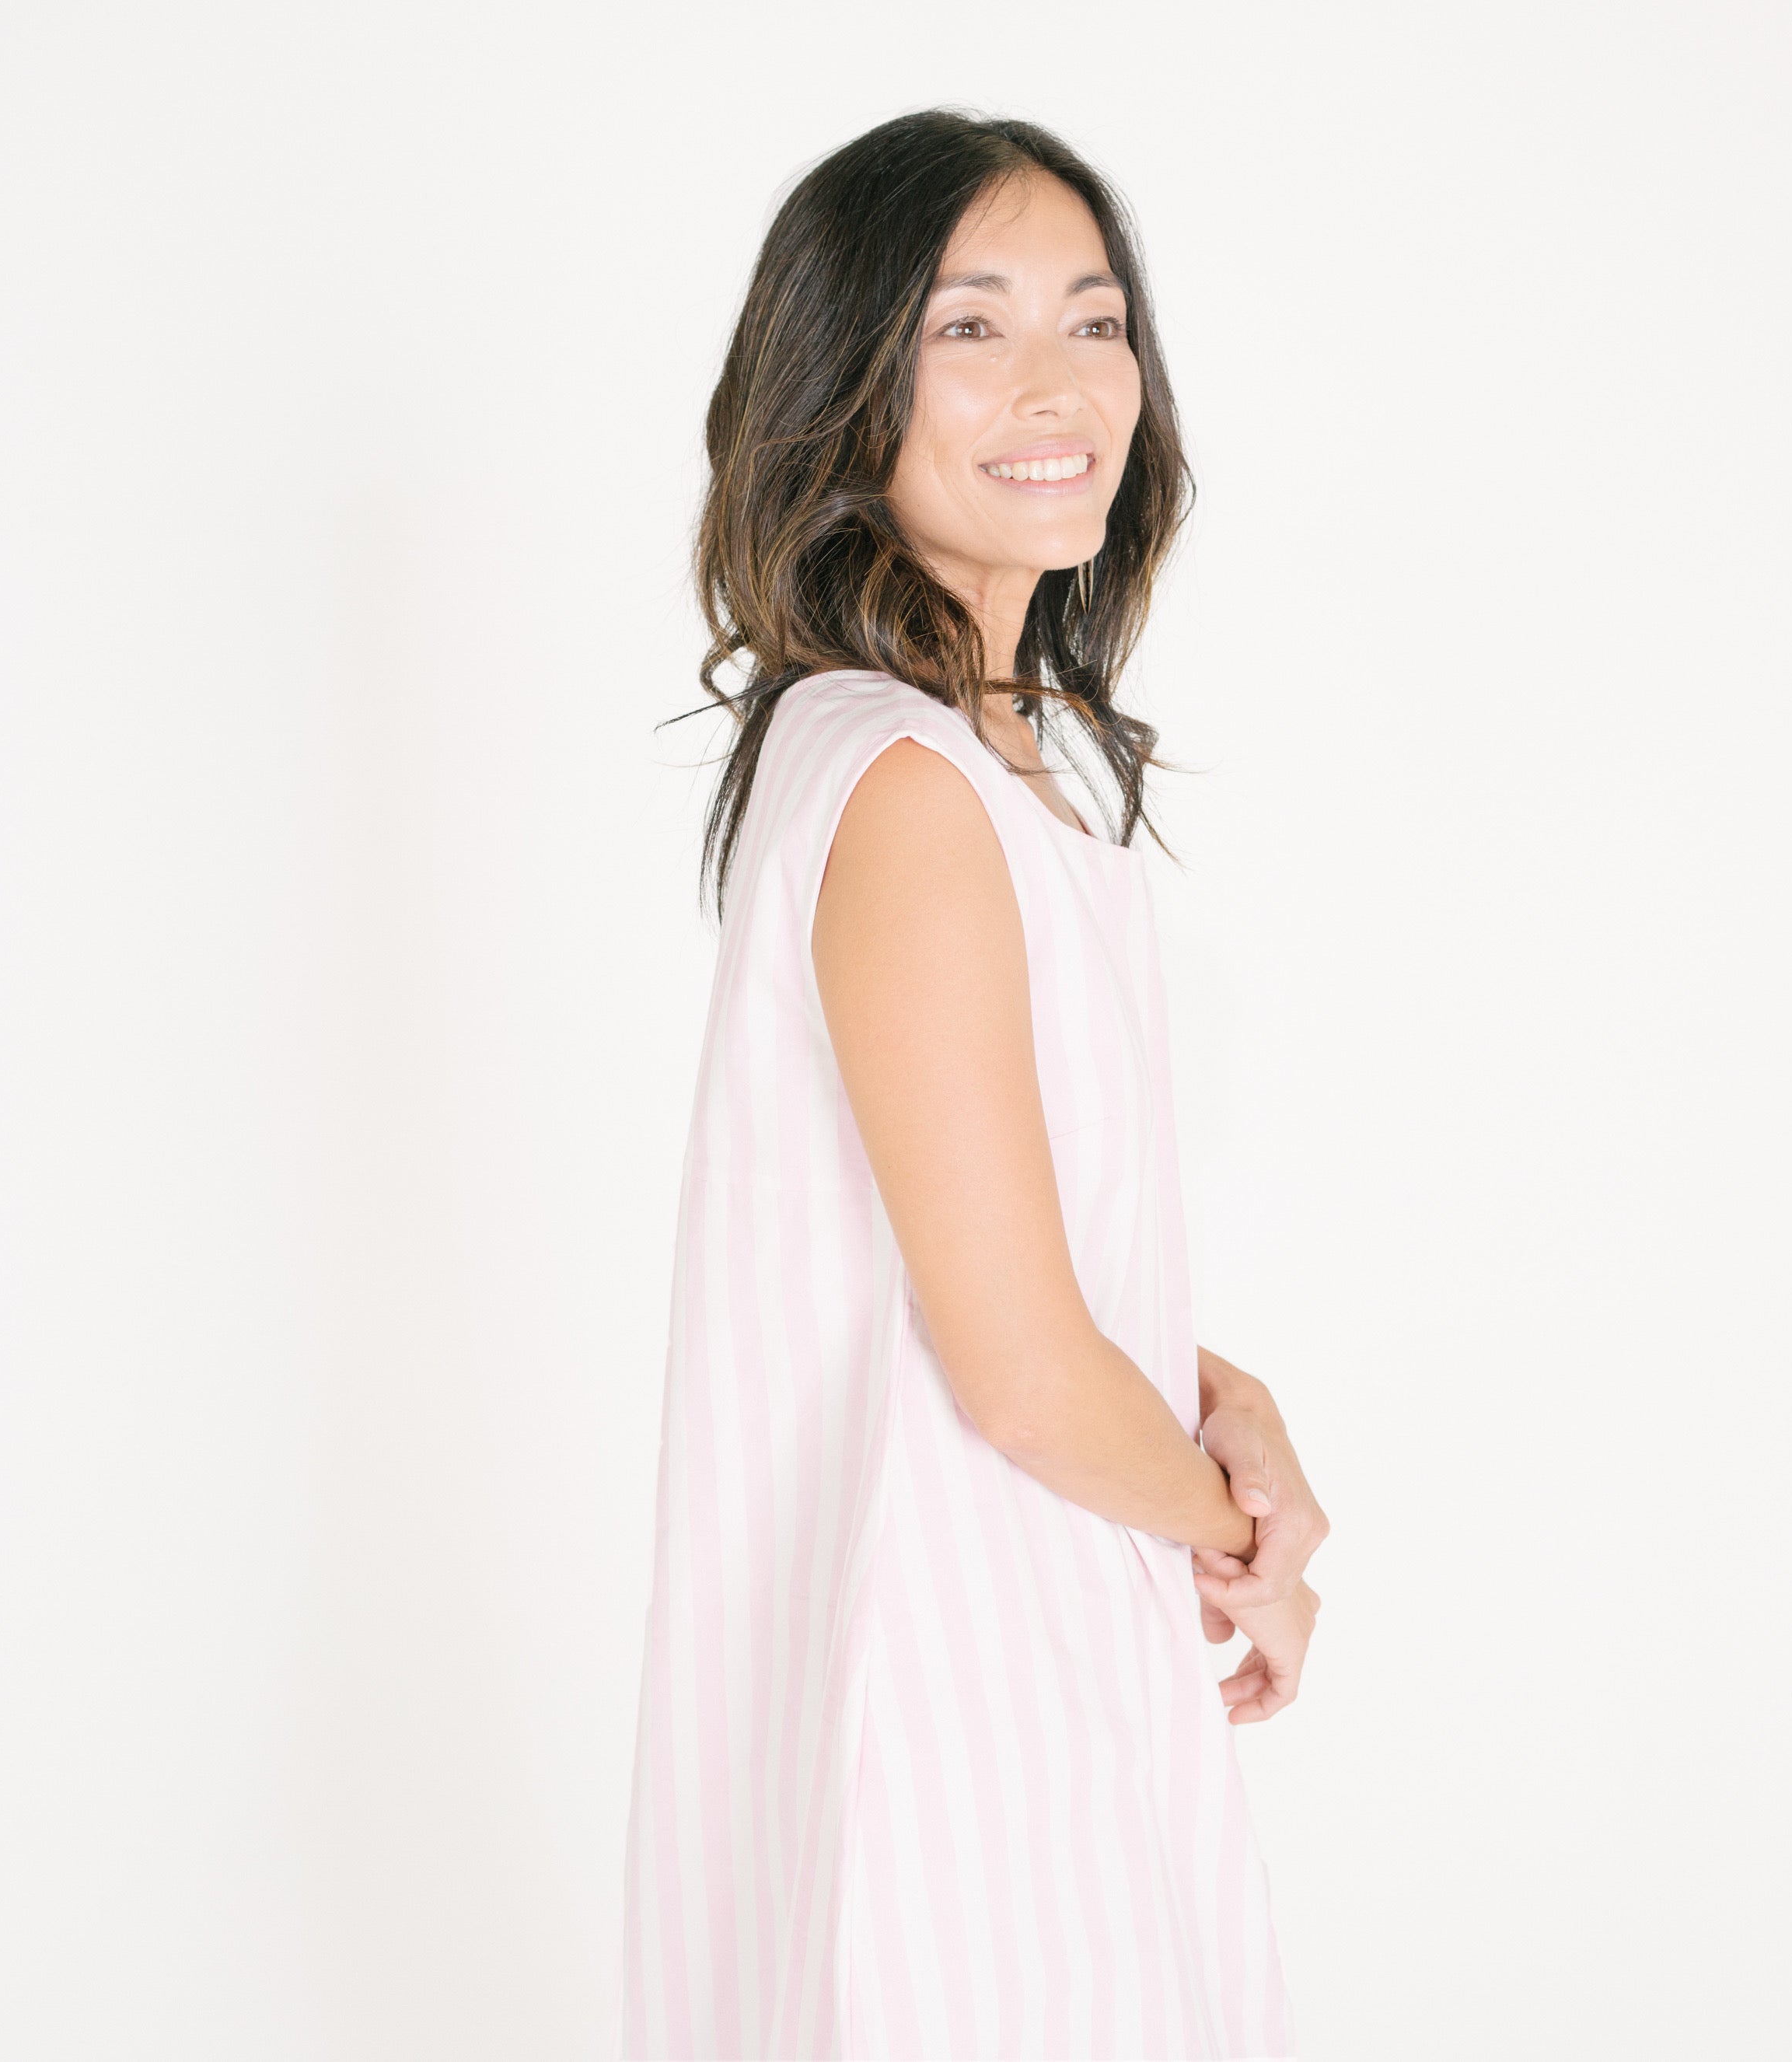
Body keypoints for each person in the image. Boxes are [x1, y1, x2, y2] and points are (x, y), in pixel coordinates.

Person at [622, 110, 1329, 2061]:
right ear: (840, 386)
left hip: (1013, 1679)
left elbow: (981, 1247)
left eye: (1094, 323)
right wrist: (1244, 1544)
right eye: (969, 327)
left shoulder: (957, 768)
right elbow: (1012, 1368)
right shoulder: (913, 789)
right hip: (962, 1718)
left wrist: (1220, 1399)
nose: (1057, 385)